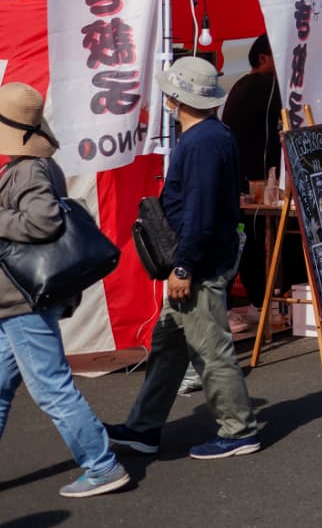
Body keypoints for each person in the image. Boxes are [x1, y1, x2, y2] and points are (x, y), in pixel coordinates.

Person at [0, 85, 130, 503]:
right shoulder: (37, 165)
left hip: (23, 300)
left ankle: (101, 466)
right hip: (23, 299)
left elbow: (44, 223)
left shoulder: (29, 170)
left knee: (51, 387)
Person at [107, 57, 262, 462]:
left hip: (199, 265)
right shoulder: (216, 135)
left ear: (175, 98)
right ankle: (143, 427)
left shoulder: (200, 143)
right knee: (169, 348)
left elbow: (200, 212)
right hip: (204, 258)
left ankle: (239, 429)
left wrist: (183, 266)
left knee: (211, 352)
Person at [221, 35, 280, 313]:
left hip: (241, 181)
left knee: (245, 241)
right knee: (252, 242)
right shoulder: (265, 86)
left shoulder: (241, 84)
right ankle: (261, 301)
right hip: (256, 182)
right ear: (263, 58)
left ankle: (252, 302)